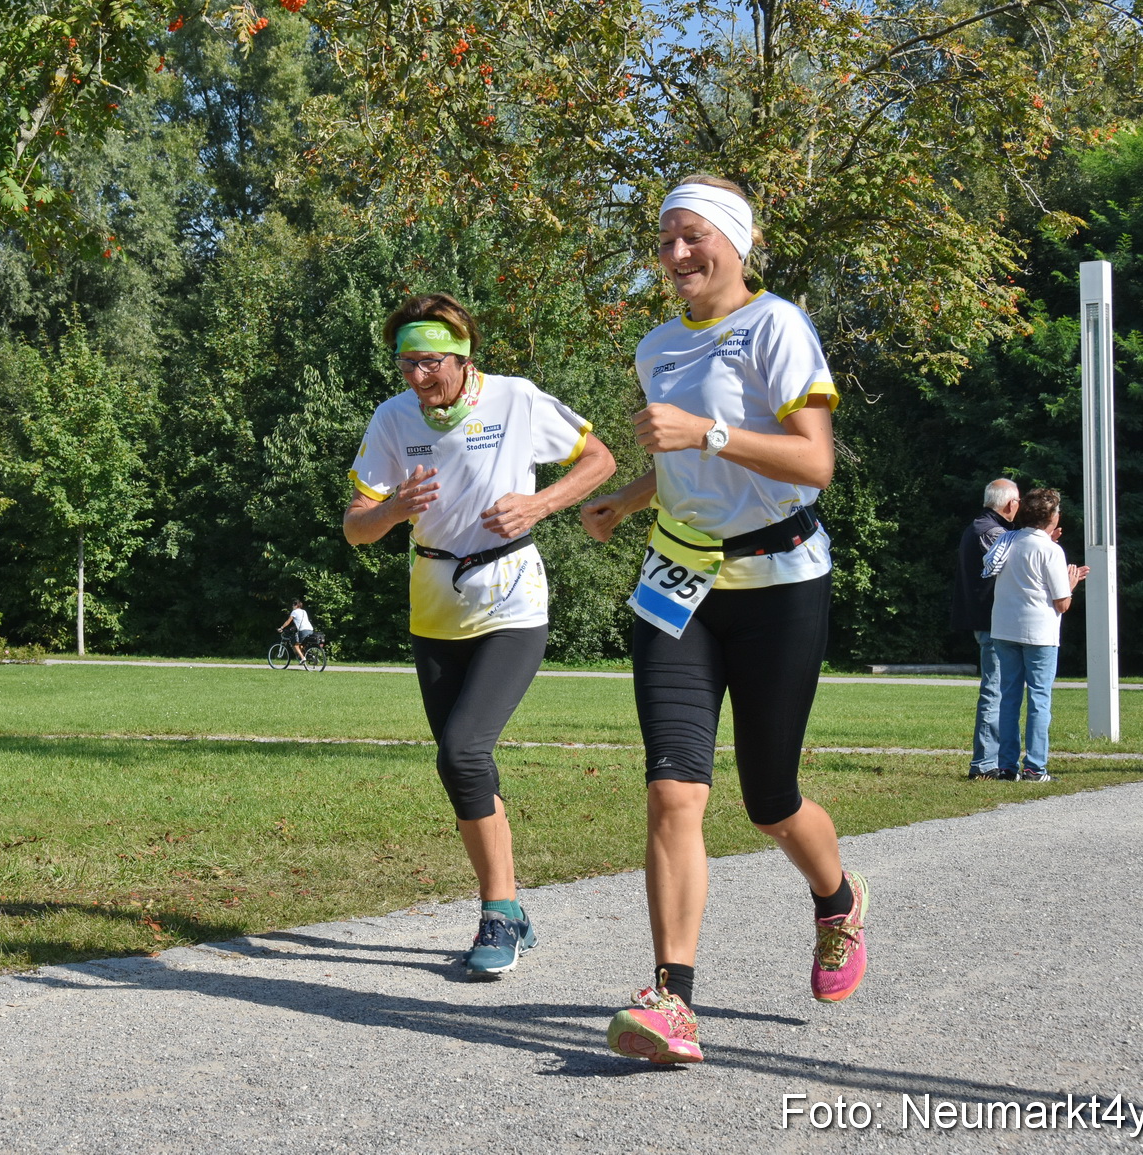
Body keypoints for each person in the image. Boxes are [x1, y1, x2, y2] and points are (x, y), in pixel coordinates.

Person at [579, 175, 867, 1065]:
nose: (674, 257)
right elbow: (681, 467)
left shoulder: (777, 325)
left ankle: (837, 901)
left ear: (737, 241)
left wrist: (704, 431)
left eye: (692, 237)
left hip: (779, 578)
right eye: (664, 241)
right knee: (673, 789)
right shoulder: (657, 343)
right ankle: (672, 1001)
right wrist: (627, 501)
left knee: (769, 797)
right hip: (679, 580)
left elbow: (813, 460)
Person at [344, 292, 615, 977]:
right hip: (433, 606)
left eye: (428, 363)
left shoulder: (516, 400)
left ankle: (496, 911)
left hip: (510, 597)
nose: (415, 378)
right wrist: (394, 509)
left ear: (462, 357)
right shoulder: (393, 418)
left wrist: (541, 503)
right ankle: (513, 910)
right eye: (405, 363)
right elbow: (355, 524)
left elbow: (600, 460)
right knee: (466, 763)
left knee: (463, 750)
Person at [988, 488, 1088, 782]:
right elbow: (1062, 603)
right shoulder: (1052, 550)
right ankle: (1035, 767)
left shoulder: (1008, 541)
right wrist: (1070, 583)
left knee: (1008, 699)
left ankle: (1007, 766)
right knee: (1039, 700)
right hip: (1040, 633)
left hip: (1004, 628)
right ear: (1051, 517)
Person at [952, 479, 1020, 779]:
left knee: (997, 690)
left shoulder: (982, 527)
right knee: (994, 692)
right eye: (1018, 500)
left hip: (989, 621)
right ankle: (983, 764)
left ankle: (992, 761)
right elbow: (1016, 568)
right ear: (1009, 504)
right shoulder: (991, 532)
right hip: (993, 623)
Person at [277, 599, 314, 667]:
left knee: (295, 645)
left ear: (296, 605)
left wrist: (281, 628)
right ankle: (307, 655)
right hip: (310, 629)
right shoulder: (304, 611)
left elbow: (288, 621)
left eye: (293, 605)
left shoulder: (294, 612)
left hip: (303, 630)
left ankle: (303, 658)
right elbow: (301, 621)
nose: (292, 606)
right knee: (302, 645)